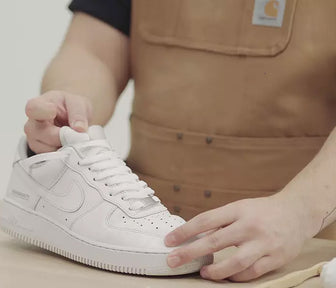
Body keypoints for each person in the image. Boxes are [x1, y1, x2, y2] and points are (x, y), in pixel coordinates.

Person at [22, 0, 336, 282]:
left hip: (308, 253)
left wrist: (298, 211)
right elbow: (92, 51)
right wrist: (73, 105)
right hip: (136, 246)